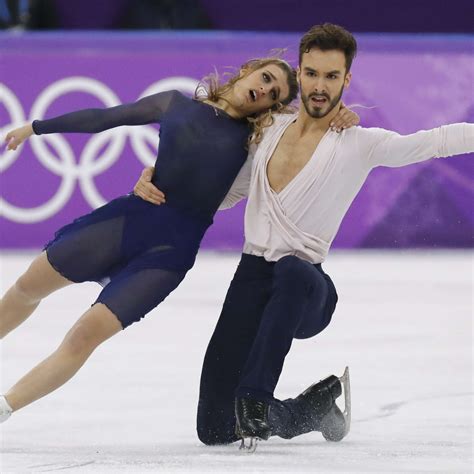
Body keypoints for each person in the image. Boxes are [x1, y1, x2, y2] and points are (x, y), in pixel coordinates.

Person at [133, 23, 474, 451]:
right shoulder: (268, 130)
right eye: (312, 73)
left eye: (332, 76)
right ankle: (311, 408)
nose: (319, 85)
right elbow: (222, 194)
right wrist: (158, 180)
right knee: (215, 429)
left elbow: (436, 142)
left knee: (292, 273)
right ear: (300, 71)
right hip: (251, 279)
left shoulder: (360, 144)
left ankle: (257, 396)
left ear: (346, 79)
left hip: (308, 288)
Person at [0, 56, 301, 423]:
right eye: (266, 78)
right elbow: (105, 118)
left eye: (274, 95)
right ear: (247, 70)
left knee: (84, 335)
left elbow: (310, 130)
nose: (265, 90)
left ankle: (5, 406)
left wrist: (340, 113)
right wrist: (35, 127)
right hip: (126, 221)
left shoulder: (257, 144)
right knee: (27, 287)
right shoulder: (174, 102)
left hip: (168, 254)